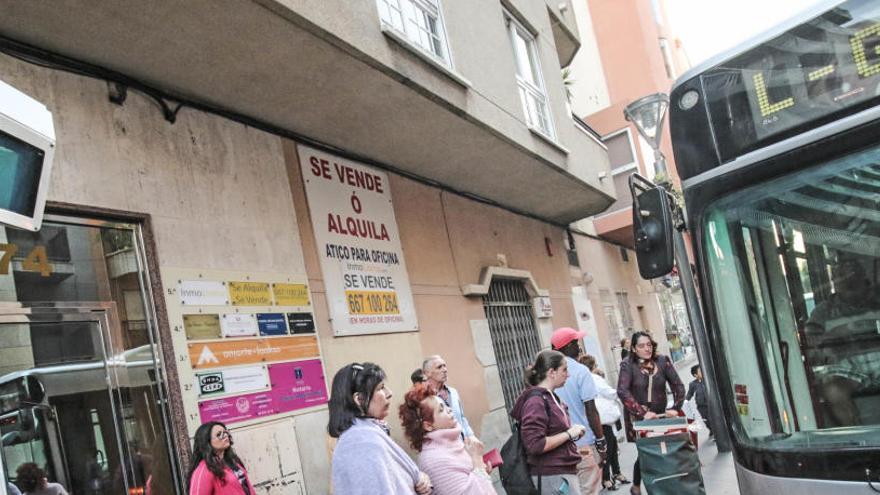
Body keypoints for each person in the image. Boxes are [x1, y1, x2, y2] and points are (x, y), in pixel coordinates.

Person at [328, 362, 432, 495]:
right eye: (381, 388)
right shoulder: (361, 443)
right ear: (359, 399)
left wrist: (418, 477)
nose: (389, 393)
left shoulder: (364, 432)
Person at [804, 258, 880, 426]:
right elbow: (810, 345)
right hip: (847, 364)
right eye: (838, 276)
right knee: (832, 389)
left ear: (863, 276)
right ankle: (862, 444)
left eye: (850, 275)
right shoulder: (823, 311)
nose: (844, 280)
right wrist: (830, 337)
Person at [617, 331, 685, 495]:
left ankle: (662, 486)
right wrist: (641, 413)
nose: (646, 349)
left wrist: (675, 408)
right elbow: (622, 391)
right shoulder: (627, 365)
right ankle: (639, 486)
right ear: (633, 348)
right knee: (646, 452)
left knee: (663, 450)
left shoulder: (662, 361)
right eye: (641, 346)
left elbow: (678, 386)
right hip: (639, 419)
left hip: (661, 416)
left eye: (649, 345)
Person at [511, 349, 587, 495]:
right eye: (564, 370)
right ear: (552, 372)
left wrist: (572, 434)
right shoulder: (536, 401)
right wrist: (569, 434)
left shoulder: (550, 397)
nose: (568, 374)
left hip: (561, 472)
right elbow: (535, 445)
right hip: (551, 476)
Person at [399, 382, 496, 495]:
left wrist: (482, 472)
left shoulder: (451, 443)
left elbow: (472, 482)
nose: (449, 409)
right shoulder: (434, 460)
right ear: (428, 426)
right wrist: (477, 459)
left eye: (445, 405)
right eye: (441, 409)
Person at [549, 328, 606, 495]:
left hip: (558, 446)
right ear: (565, 347)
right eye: (575, 343)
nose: (579, 347)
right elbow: (591, 410)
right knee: (590, 489)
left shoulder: (547, 373)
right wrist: (601, 441)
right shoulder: (581, 371)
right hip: (582, 443)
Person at [579, 354, 629, 491]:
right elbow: (609, 392)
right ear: (592, 366)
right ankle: (607, 478)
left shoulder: (587, 378)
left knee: (611, 445)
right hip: (601, 418)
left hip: (601, 418)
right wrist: (622, 392)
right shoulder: (593, 378)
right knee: (607, 448)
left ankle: (615, 473)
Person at [187, 422, 254, 495]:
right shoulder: (204, 469)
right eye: (219, 434)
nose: (225, 436)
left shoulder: (232, 460)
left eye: (225, 432)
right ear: (207, 442)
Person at [423, 355, 476, 440]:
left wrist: (471, 436)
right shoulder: (426, 399)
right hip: (447, 449)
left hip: (464, 446)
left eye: (445, 366)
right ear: (427, 373)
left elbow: (462, 417)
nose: (445, 370)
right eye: (439, 367)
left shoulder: (453, 392)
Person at [687, 365, 712, 436]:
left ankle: (715, 432)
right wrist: (686, 400)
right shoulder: (693, 384)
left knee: (712, 418)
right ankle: (711, 429)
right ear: (695, 375)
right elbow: (690, 393)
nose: (702, 372)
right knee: (706, 420)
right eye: (700, 371)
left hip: (709, 403)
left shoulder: (707, 380)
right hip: (701, 406)